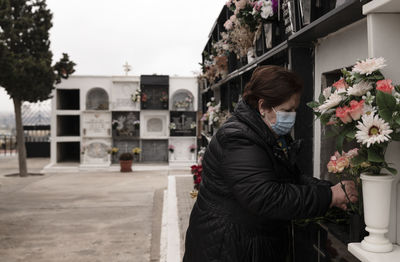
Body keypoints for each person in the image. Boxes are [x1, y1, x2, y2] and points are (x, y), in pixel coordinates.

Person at [183, 65, 358, 262]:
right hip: (226, 247)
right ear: (263, 106)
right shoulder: (238, 139)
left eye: (295, 110)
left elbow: (289, 178)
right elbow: (266, 196)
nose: (292, 116)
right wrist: (328, 196)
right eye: (286, 110)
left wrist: (332, 189)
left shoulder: (267, 132)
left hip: (246, 241)